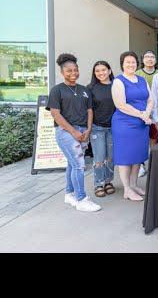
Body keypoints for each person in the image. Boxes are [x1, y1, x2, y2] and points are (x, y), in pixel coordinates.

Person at [46, 53, 101, 212]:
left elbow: (89, 110)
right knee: (79, 165)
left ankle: (69, 193)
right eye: (69, 71)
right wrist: (73, 131)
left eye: (75, 70)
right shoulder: (57, 90)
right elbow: (55, 114)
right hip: (65, 132)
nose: (73, 73)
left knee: (73, 163)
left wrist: (89, 129)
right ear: (62, 72)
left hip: (84, 131)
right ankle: (81, 198)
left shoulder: (84, 90)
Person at [111, 51, 154, 202]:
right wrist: (142, 115)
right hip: (125, 124)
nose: (131, 64)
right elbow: (121, 105)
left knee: (138, 156)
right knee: (125, 157)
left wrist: (146, 114)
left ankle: (134, 185)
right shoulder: (119, 81)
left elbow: (150, 100)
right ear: (122, 64)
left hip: (142, 124)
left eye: (133, 62)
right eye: (127, 62)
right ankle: (127, 189)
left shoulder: (142, 80)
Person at [87, 61, 116, 198]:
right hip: (97, 128)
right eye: (97, 71)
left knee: (111, 157)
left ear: (109, 71)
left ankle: (108, 182)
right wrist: (88, 128)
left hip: (114, 128)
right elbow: (88, 110)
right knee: (99, 157)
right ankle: (98, 183)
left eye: (103, 70)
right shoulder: (91, 88)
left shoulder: (117, 85)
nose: (101, 73)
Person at [136, 50, 158, 146]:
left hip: (156, 110)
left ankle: (152, 159)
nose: (149, 59)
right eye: (147, 57)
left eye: (152, 57)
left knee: (154, 137)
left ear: (155, 60)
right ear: (142, 60)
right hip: (141, 110)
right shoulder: (137, 74)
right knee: (141, 137)